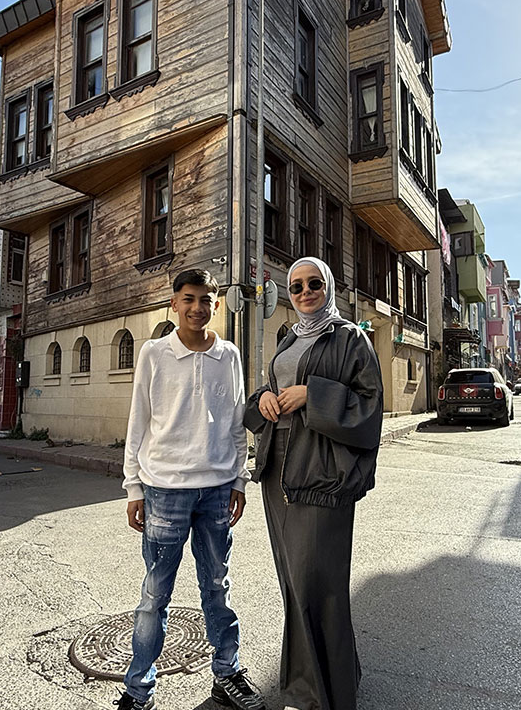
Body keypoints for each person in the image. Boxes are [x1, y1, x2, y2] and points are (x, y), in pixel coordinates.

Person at [117, 269, 263, 710]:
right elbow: (138, 420)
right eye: (188, 298)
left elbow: (238, 421)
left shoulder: (229, 355)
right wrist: (133, 487)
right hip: (164, 492)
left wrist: (239, 478)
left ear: (216, 304)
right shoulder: (154, 353)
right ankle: (138, 691)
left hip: (218, 490)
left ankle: (227, 673)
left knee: (217, 586)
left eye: (205, 299)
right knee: (155, 595)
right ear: (174, 304)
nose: (197, 307)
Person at [244, 257, 384, 710]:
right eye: (297, 285)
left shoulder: (350, 338)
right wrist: (264, 397)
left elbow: (370, 406)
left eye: (314, 283)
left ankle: (317, 696)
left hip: (322, 472)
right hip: (277, 470)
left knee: (316, 585)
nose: (305, 292)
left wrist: (313, 395)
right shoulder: (287, 339)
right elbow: (266, 397)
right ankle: (327, 684)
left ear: (329, 286)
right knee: (295, 584)